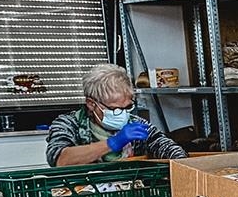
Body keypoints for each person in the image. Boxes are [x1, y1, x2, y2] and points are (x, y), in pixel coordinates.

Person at [46, 64, 188, 166]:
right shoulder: (68, 124)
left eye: (127, 107)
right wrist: (113, 143)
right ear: (91, 103)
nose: (122, 114)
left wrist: (182, 162)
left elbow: (166, 147)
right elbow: (60, 159)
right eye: (114, 109)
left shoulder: (136, 125)